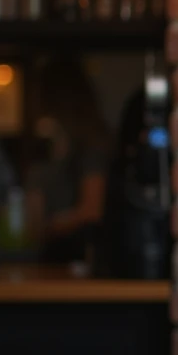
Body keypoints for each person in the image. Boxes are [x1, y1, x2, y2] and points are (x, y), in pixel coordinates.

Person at [25, 55, 110, 266]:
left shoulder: (91, 146)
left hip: (81, 259)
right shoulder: (42, 148)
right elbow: (32, 219)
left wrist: (53, 225)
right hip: (43, 261)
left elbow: (92, 210)